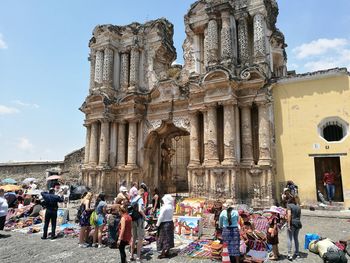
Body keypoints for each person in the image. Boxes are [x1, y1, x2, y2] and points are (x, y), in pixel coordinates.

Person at [130, 188, 147, 262]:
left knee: (133, 238)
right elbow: (140, 210)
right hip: (139, 220)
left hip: (133, 220)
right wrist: (145, 216)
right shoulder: (140, 199)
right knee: (140, 239)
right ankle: (138, 257)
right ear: (142, 194)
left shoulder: (133, 199)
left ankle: (131, 256)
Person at [156, 194, 175, 259]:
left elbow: (161, 216)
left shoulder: (165, 207)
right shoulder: (171, 206)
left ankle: (163, 253)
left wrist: (157, 224)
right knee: (169, 238)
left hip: (164, 224)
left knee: (163, 239)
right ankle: (167, 251)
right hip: (170, 222)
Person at [286, 196, 302, 260]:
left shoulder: (289, 205)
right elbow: (300, 215)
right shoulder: (298, 206)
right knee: (296, 238)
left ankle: (289, 254)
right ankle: (297, 252)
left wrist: (289, 224)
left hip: (292, 223)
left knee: (289, 239)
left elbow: (289, 215)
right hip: (298, 223)